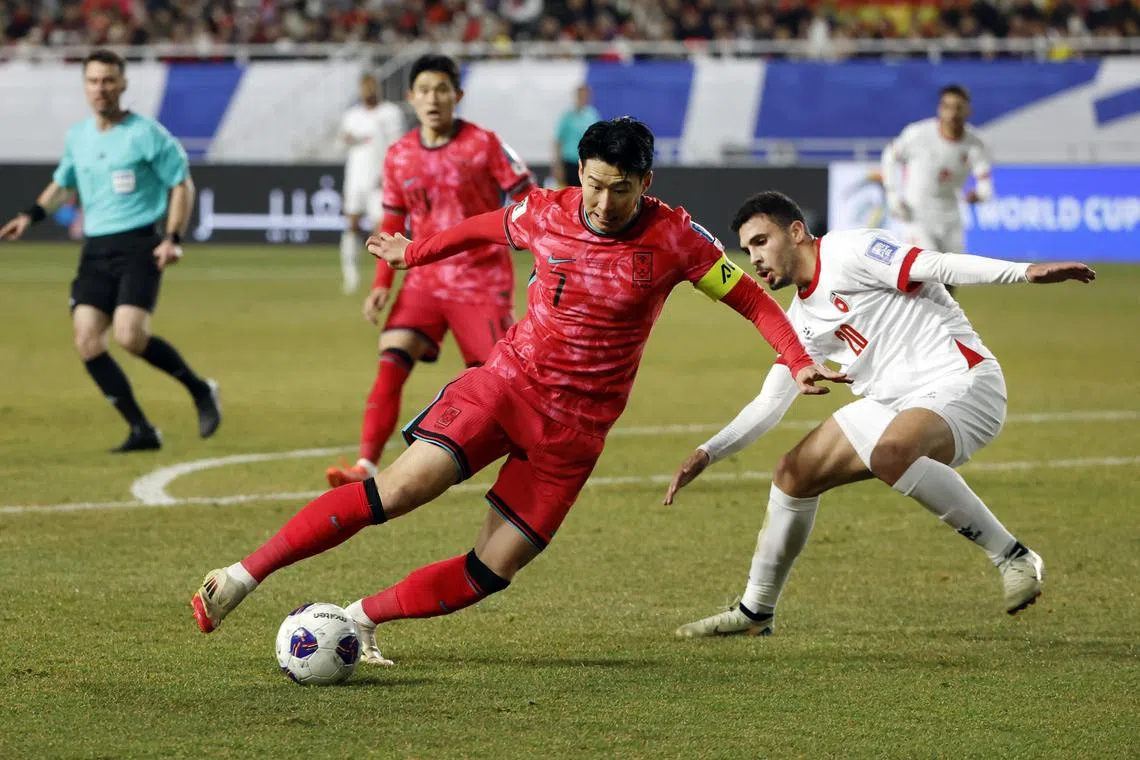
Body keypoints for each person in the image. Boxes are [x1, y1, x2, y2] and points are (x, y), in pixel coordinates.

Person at [190, 119, 846, 664]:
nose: (601, 202)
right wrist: (412, 255)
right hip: (506, 385)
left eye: (619, 190)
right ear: (578, 173)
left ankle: (357, 620)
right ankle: (241, 577)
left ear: (646, 184)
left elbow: (755, 302)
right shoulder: (546, 211)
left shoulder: (676, 238)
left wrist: (795, 360)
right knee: (399, 491)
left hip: (576, 432)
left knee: (490, 571)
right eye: (592, 184)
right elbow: (481, 228)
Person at [663, 191, 1095, 638]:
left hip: (962, 382)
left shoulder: (851, 250)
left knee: (891, 453)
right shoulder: (800, 320)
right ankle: (755, 613)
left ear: (795, 232)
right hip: (893, 404)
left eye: (761, 241)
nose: (753, 257)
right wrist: (707, 453)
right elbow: (770, 402)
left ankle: (1013, 556)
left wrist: (1024, 273)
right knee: (793, 474)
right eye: (747, 248)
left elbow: (937, 265)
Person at [324, 54, 535, 488]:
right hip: (424, 280)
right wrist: (383, 282)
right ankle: (365, 466)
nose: (433, 99)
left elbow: (529, 198)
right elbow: (392, 222)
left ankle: (533, 460)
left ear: (457, 96)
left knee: (501, 384)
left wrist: (543, 249)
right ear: (410, 98)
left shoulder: (484, 144)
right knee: (392, 356)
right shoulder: (399, 155)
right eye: (423, 91)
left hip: (481, 281)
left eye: (442, 90)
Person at [0, 49, 220, 453]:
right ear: (84, 86)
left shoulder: (146, 133)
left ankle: (201, 389)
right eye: (93, 81)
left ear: (123, 84)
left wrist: (172, 237)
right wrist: (29, 216)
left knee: (129, 336)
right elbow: (64, 183)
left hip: (140, 243)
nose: (100, 89)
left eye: (108, 81)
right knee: (86, 341)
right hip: (96, 248)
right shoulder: (78, 136)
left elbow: (181, 183)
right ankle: (142, 430)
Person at [880, 84, 994, 297]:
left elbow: (985, 181)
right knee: (927, 272)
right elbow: (890, 156)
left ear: (968, 111)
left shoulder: (975, 143)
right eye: (947, 107)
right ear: (939, 109)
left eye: (958, 107)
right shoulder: (918, 134)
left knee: (952, 274)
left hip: (950, 213)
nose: (952, 113)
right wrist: (893, 194)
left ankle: (942, 324)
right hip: (917, 214)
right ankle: (918, 323)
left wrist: (979, 194)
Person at [338, 72, 405, 294]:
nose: (367, 92)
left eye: (371, 87)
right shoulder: (351, 116)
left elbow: (397, 146)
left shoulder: (390, 113)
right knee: (352, 224)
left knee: (382, 228)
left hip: (380, 181)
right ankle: (351, 276)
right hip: (355, 179)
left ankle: (382, 280)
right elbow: (343, 145)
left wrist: (390, 174)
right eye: (364, 87)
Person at [552, 84, 600, 188]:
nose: (583, 98)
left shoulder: (592, 115)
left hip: (586, 162)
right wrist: (557, 166)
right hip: (569, 163)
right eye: (581, 95)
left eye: (586, 95)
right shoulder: (567, 116)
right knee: (569, 195)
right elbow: (558, 141)